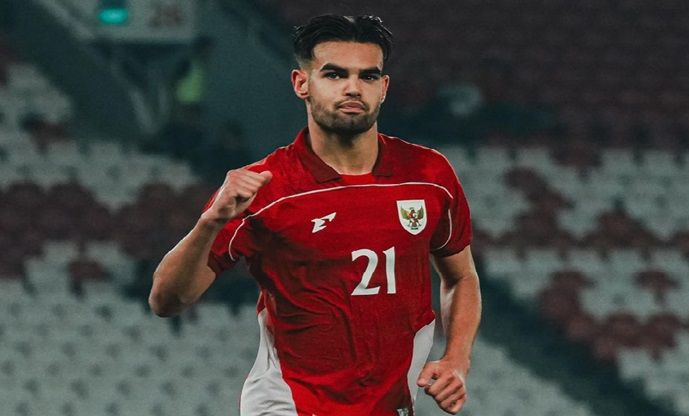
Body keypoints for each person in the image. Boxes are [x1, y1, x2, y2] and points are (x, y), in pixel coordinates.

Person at [148, 14, 481, 415]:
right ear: (301, 83)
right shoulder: (264, 186)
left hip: (388, 405)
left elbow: (461, 277)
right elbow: (166, 300)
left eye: (368, 76)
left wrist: (457, 359)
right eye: (335, 74)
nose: (353, 88)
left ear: (384, 88)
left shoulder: (429, 175)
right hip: (289, 404)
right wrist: (210, 223)